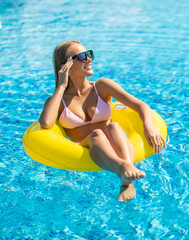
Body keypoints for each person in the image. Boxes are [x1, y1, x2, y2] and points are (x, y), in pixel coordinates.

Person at [39, 40, 166, 202]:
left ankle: (127, 181)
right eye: (82, 57)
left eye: (89, 54)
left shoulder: (102, 86)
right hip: (83, 148)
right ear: (66, 65)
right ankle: (124, 169)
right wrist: (62, 85)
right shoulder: (58, 100)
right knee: (97, 134)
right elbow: (46, 123)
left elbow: (140, 105)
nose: (89, 59)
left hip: (113, 142)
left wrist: (149, 127)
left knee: (113, 126)